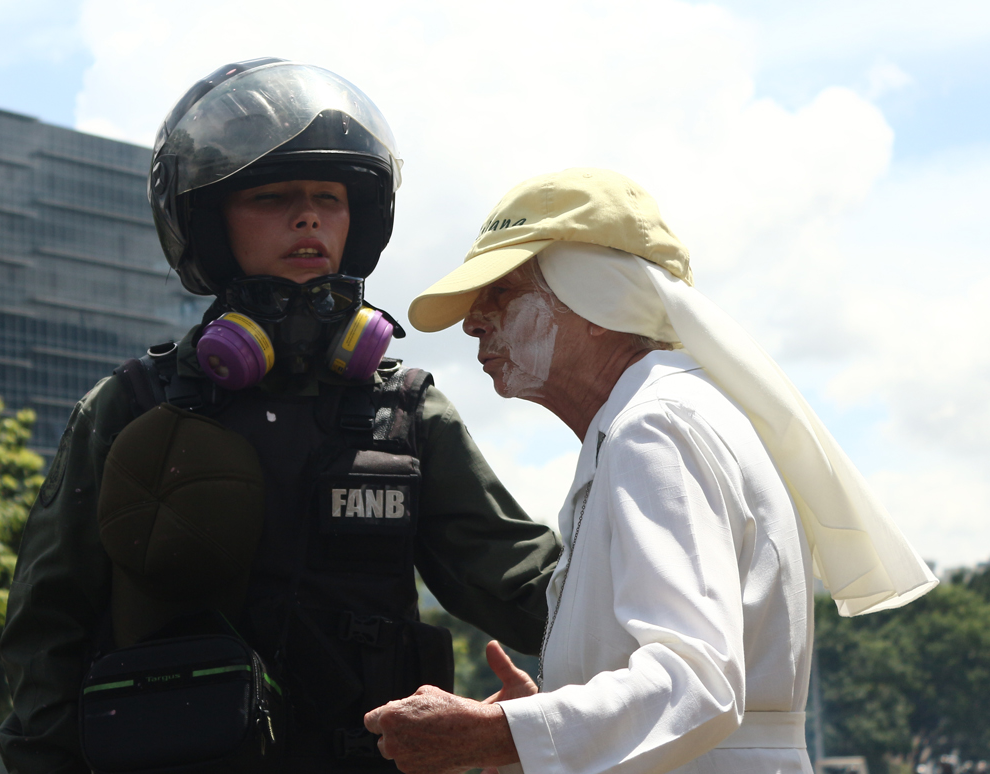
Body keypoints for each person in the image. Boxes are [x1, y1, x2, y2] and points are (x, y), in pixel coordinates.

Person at [0, 59, 561, 773]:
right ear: (206, 222)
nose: (308, 216)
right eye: (271, 197)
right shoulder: (131, 409)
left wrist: (678, 610)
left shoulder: (408, 414)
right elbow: (46, 634)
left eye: (329, 196)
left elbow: (530, 586)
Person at [365, 168, 937, 774]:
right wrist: (546, 723)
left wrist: (508, 733)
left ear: (597, 300)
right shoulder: (667, 417)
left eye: (500, 292)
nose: (473, 321)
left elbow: (697, 680)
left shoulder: (655, 427)